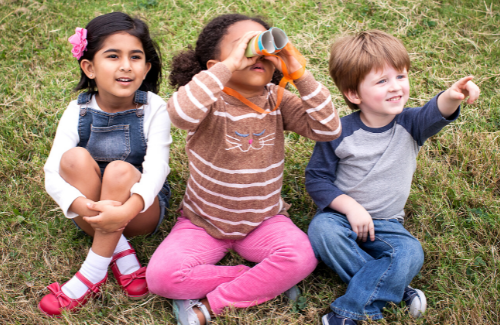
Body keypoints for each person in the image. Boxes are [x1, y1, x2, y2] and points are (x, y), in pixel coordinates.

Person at [146, 13, 341, 325]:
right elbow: (179, 114)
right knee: (160, 278)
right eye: (244, 47)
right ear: (214, 67)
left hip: (263, 221)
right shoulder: (209, 101)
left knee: (302, 257)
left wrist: (299, 73)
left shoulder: (277, 100)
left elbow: (328, 128)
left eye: (265, 47)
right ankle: (255, 278)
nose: (258, 54)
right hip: (202, 223)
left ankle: (214, 302)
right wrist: (229, 65)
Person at [306, 30, 480, 324]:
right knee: (321, 231)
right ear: (353, 94)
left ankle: (350, 312)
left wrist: (453, 95)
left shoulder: (411, 123)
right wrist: (350, 207)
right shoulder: (337, 131)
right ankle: (395, 289)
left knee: (410, 252)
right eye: (382, 81)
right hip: (341, 219)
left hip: (387, 223)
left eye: (401, 76)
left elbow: (436, 111)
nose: (396, 87)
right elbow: (316, 179)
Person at [39, 12, 171, 317]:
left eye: (135, 57)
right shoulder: (78, 109)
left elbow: (157, 171)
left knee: (120, 170)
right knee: (71, 159)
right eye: (113, 56)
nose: (126, 65)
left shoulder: (154, 107)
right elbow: (51, 173)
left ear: (146, 67)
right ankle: (122, 253)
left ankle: (92, 273)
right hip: (91, 211)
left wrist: (125, 210)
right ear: (89, 67)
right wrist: (87, 207)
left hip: (140, 210)